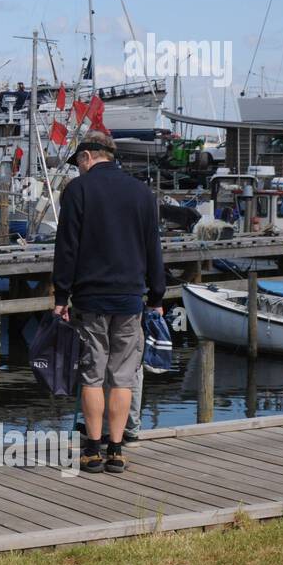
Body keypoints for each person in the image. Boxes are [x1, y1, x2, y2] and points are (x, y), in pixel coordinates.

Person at [52, 131, 165, 473]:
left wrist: (61, 296)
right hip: (130, 299)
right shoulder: (142, 192)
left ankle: (91, 449)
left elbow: (67, 248)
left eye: (78, 164)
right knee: (122, 376)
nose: (78, 170)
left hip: (90, 298)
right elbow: (153, 249)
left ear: (87, 156)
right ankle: (116, 450)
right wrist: (156, 296)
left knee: (91, 374)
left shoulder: (77, 191)